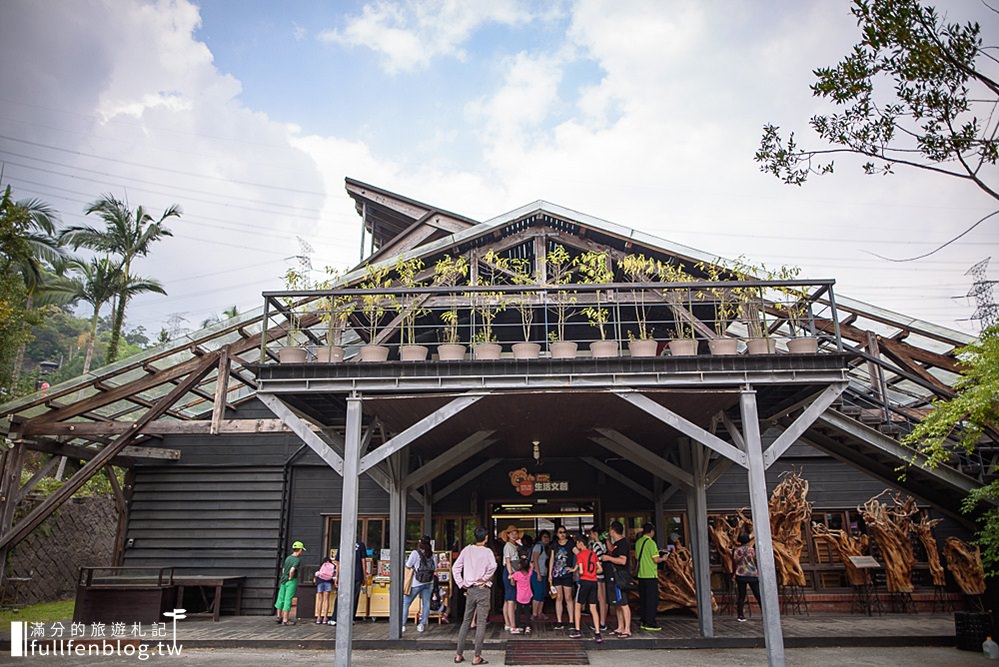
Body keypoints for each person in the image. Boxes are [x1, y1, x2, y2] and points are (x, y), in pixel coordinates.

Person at [453, 526, 496, 665]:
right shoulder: (487, 551)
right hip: (482, 589)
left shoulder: (467, 550)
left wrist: (461, 583)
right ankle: (477, 656)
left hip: (470, 589)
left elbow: (455, 567)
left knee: (466, 621)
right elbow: (493, 566)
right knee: (481, 623)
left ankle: (459, 654)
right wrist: (485, 578)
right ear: (486, 538)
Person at [569, 534, 603, 643]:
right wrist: (593, 573)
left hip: (584, 582)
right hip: (594, 582)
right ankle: (597, 633)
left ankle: (577, 630)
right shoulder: (593, 554)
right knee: (593, 607)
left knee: (578, 605)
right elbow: (600, 569)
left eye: (577, 543)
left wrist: (573, 570)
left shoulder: (580, 555)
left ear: (580, 543)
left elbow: (580, 570)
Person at [600, 521, 632, 638]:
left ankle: (627, 629)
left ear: (613, 530)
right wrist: (607, 540)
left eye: (610, 530)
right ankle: (620, 626)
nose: (609, 532)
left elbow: (622, 560)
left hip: (620, 576)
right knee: (617, 603)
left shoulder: (623, 543)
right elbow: (612, 550)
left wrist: (608, 558)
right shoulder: (617, 543)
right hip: (614, 576)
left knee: (623, 603)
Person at [402, 535, 438, 632]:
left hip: (416, 582)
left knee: (406, 602)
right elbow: (435, 568)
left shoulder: (415, 553)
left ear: (420, 543)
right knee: (426, 604)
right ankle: (422, 624)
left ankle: (402, 624)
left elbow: (408, 565)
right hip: (429, 582)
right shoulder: (432, 554)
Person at [635, 523, 664, 631]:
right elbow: (656, 560)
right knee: (652, 600)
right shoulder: (651, 543)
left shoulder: (638, 542)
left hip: (641, 575)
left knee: (643, 599)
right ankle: (650, 622)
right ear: (651, 531)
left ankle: (643, 621)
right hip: (650, 575)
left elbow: (637, 557)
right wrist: (664, 558)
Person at [331, 538, 367, 626]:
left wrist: (337, 576)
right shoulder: (360, 544)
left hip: (344, 574)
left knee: (340, 596)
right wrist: (364, 575)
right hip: (357, 574)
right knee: (354, 597)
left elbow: (337, 562)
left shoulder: (343, 543)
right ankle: (351, 618)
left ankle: (335, 618)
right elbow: (363, 561)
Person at [548, 526, 575, 630]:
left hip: (567, 574)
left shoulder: (570, 544)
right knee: (559, 598)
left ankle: (571, 620)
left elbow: (580, 554)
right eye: (560, 532)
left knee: (568, 597)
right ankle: (559, 621)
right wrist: (550, 574)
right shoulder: (554, 545)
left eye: (564, 532)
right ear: (557, 534)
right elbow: (551, 559)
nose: (562, 534)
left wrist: (574, 568)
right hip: (556, 574)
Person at [274, 540, 305, 625]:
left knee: (280, 598)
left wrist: (285, 576)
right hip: (291, 581)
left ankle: (278, 617)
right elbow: (292, 570)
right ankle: (285, 620)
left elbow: (284, 569)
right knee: (288, 599)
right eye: (302, 550)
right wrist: (291, 577)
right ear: (300, 549)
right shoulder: (297, 560)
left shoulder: (288, 558)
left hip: (283, 580)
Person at [733, 532, 762, 622]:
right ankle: (764, 612)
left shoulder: (737, 551)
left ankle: (740, 615)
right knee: (757, 594)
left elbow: (735, 561)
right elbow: (756, 560)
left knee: (741, 595)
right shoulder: (752, 550)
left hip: (741, 574)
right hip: (752, 574)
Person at [500, 524, 520, 633]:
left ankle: (508, 623)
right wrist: (511, 574)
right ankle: (512, 625)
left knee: (508, 599)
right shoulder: (508, 546)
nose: (514, 535)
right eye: (512, 533)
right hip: (510, 572)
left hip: (512, 572)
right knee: (511, 600)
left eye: (515, 533)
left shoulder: (514, 545)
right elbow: (508, 561)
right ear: (507, 535)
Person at [587, 526, 608, 631]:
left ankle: (602, 622)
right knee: (603, 599)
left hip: (597, 575)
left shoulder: (596, 546)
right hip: (603, 575)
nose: (590, 536)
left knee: (600, 599)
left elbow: (595, 561)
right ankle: (603, 621)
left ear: (595, 534)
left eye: (591, 533)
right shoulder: (604, 545)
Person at [530, 530, 550, 620]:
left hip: (544, 573)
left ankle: (540, 612)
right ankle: (534, 613)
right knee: (538, 593)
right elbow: (535, 560)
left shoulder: (545, 547)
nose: (546, 539)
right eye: (544, 537)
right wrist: (538, 573)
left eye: (548, 537)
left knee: (542, 594)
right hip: (537, 573)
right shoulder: (538, 546)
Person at [510, 558, 533, 634]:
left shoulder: (517, 574)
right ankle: (527, 627)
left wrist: (511, 576)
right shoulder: (529, 573)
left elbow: (511, 580)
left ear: (520, 565)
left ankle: (516, 626)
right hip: (528, 595)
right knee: (527, 611)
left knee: (518, 611)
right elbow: (531, 567)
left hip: (520, 596)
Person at [313, 556, 336, 624]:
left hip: (320, 582)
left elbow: (317, 574)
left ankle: (318, 618)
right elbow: (334, 576)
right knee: (326, 600)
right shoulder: (332, 566)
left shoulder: (321, 566)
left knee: (320, 600)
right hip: (328, 582)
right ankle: (325, 618)